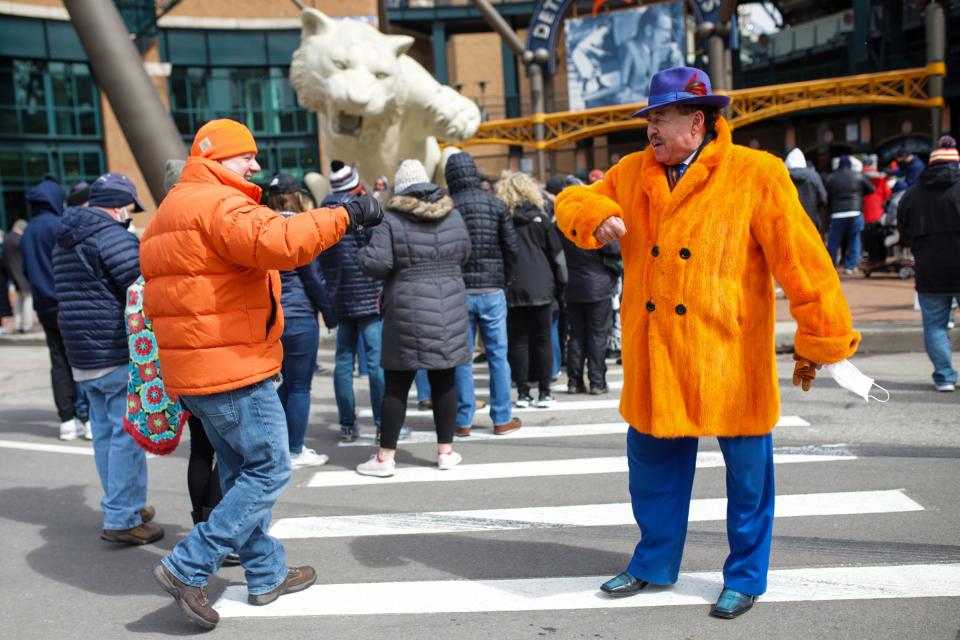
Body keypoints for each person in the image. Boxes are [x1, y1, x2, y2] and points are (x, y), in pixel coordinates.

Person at [555, 66, 859, 619]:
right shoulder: (630, 172)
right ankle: (652, 563)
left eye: (661, 118)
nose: (651, 129)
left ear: (697, 122)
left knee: (748, 483)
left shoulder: (756, 173)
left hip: (729, 355)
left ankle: (745, 576)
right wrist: (596, 215)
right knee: (652, 476)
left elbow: (803, 262)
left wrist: (825, 338)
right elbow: (570, 201)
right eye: (649, 119)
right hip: (657, 357)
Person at [141, 118, 381, 629]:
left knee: (238, 471)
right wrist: (346, 213)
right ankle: (189, 566)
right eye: (245, 156)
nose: (255, 165)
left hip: (199, 367)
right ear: (217, 158)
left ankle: (267, 572)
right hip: (232, 366)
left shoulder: (173, 209)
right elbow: (282, 241)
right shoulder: (217, 202)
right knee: (269, 468)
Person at [51, 172, 162, 545]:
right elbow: (140, 283)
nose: (130, 214)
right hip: (113, 348)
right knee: (126, 434)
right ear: (118, 206)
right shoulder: (111, 236)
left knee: (105, 433)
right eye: (130, 207)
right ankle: (122, 516)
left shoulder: (65, 237)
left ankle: (126, 503)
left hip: (82, 352)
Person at [356, 159, 471, 477]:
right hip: (449, 304)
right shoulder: (453, 214)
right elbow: (465, 252)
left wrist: (360, 253)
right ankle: (445, 452)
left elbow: (376, 264)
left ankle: (385, 458)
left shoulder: (391, 219)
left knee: (396, 385)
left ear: (400, 187)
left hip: (407, 307)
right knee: (444, 379)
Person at [444, 151, 522, 437]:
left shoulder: (448, 207)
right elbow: (511, 248)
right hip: (492, 289)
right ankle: (502, 418)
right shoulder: (495, 204)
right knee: (498, 355)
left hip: (458, 290)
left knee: (462, 357)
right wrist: (505, 280)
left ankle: (463, 420)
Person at [268, 173, 336, 469]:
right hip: (299, 315)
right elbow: (313, 280)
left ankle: (279, 445)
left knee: (284, 384)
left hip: (273, 317)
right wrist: (330, 314)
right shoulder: (299, 228)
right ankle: (294, 450)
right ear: (297, 196)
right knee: (299, 387)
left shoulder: (263, 227)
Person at [316, 161, 386, 443]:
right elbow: (377, 251)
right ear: (354, 184)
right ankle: (383, 424)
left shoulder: (322, 213)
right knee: (376, 359)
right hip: (369, 294)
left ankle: (347, 424)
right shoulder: (363, 208)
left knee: (343, 360)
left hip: (339, 295)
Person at [21, 175, 86, 440]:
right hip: (66, 301)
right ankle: (86, 416)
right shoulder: (57, 226)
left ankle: (67, 419)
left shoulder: (28, 230)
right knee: (79, 359)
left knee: (58, 360)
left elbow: (25, 270)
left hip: (43, 305)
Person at [497, 171, 567, 409]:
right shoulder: (542, 218)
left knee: (518, 341)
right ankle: (545, 392)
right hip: (542, 285)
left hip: (514, 286)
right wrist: (561, 285)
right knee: (543, 339)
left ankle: (524, 393)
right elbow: (557, 256)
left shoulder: (504, 220)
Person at [897, 135, 960, 392]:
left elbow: (903, 229)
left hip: (929, 269)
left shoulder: (912, 194)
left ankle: (945, 377)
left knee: (934, 326)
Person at [559, 178, 620, 395]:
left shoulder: (564, 225)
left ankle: (574, 382)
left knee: (575, 335)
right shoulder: (595, 220)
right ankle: (597, 382)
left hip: (574, 286)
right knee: (597, 335)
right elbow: (613, 250)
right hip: (598, 285)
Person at [825, 155, 875, 273]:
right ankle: (851, 266)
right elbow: (871, 189)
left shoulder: (831, 177)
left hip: (837, 213)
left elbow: (827, 194)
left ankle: (829, 265)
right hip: (855, 212)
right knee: (855, 239)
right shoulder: (857, 175)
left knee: (834, 241)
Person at [784, 148, 827, 233]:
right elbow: (823, 198)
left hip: (790, 220)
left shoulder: (783, 177)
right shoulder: (813, 176)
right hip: (811, 219)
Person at [3, 219, 32, 332]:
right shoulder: (20, 240)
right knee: (27, 300)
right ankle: (27, 325)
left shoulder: (6, 240)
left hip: (13, 276)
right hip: (22, 275)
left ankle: (18, 324)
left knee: (19, 300)